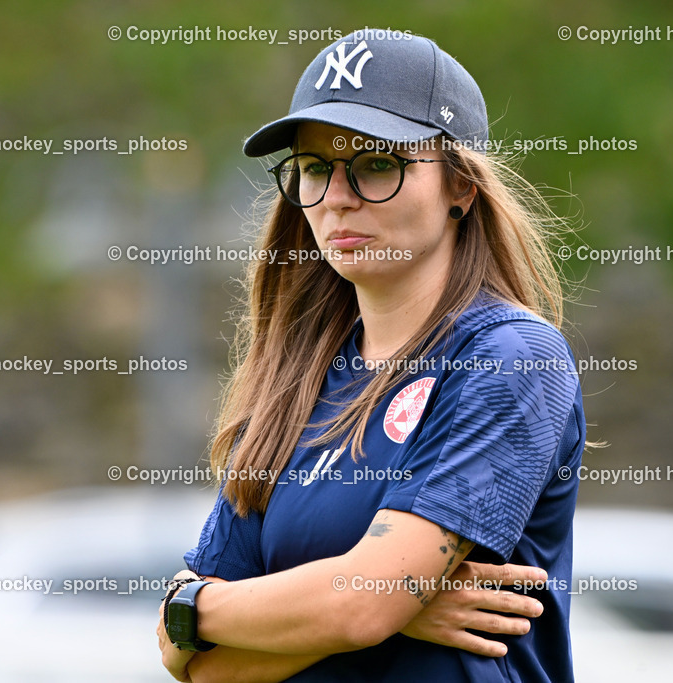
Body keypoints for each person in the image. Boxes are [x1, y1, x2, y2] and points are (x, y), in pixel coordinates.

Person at [156, 28, 586, 682]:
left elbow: (361, 607)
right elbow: (192, 663)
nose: (336, 197)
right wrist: (383, 605)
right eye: (314, 168)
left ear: (461, 187)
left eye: (376, 164)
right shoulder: (297, 382)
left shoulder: (509, 356)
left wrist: (207, 607)